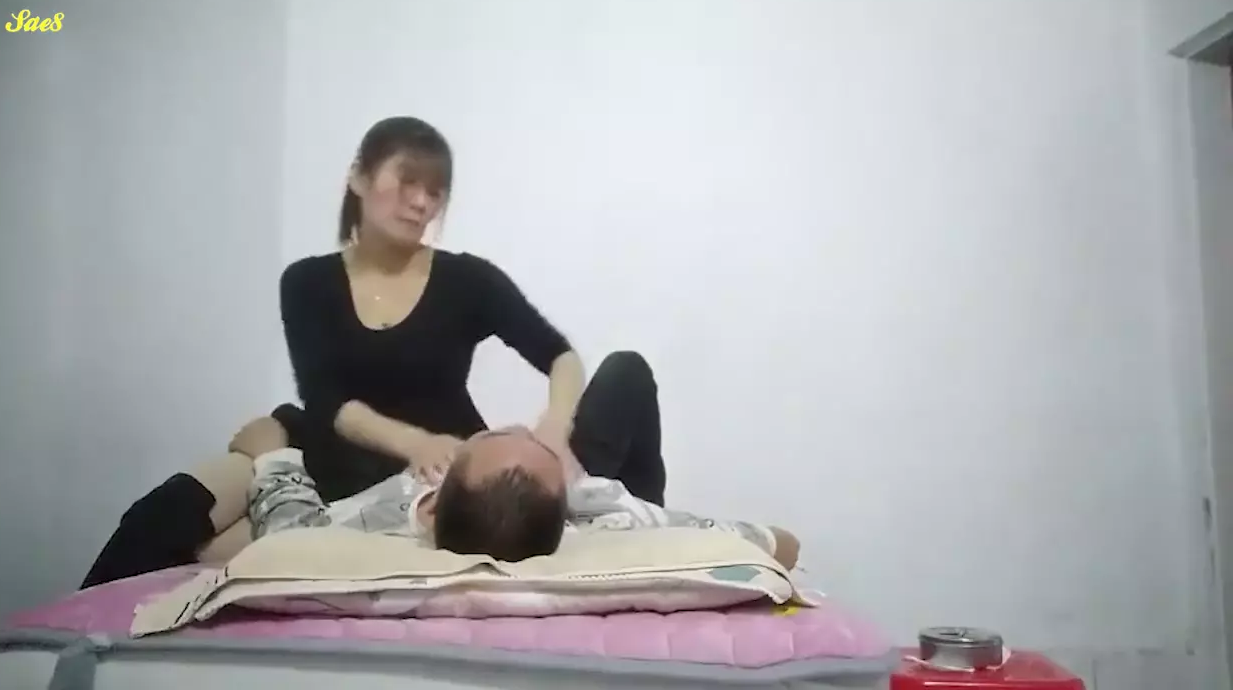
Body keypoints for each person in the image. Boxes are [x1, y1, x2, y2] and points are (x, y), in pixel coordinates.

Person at [80, 115, 665, 588]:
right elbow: (325, 398)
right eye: (407, 182)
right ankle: (59, 643)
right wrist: (412, 442)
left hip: (430, 473)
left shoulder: (468, 280)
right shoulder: (307, 281)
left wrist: (553, 429)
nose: (421, 202)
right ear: (358, 178)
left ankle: (654, 536)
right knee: (163, 518)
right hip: (338, 448)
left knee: (217, 555)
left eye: (434, 191)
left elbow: (559, 355)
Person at [246, 424, 801, 568]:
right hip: (626, 500)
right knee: (626, 373)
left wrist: (271, 452)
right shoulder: (606, 511)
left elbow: (288, 533)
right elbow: (783, 545)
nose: (514, 424)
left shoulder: (379, 524)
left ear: (432, 505)